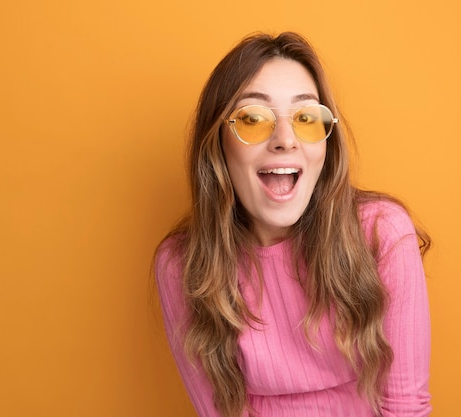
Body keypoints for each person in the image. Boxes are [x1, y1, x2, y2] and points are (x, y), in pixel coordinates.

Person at [155, 31, 432, 417]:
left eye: (306, 117)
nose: (285, 139)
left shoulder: (381, 233)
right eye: (253, 118)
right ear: (217, 143)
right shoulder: (181, 265)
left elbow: (405, 406)